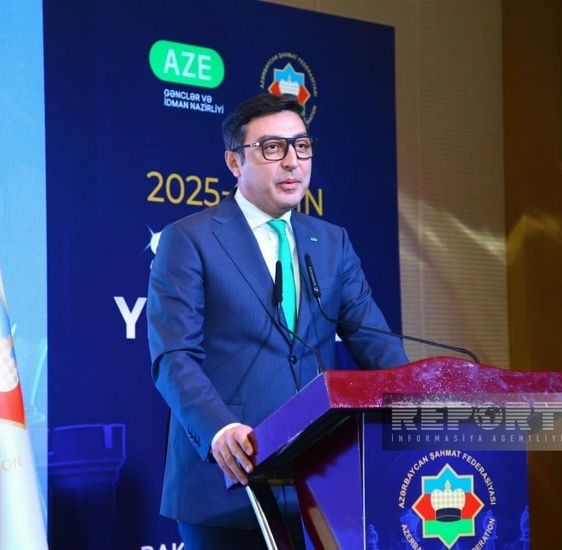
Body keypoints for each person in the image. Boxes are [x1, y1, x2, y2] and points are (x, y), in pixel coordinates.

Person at [146, 93, 409, 549]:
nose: (292, 162)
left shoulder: (331, 242)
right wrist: (219, 430)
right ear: (234, 161)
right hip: (230, 480)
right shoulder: (189, 239)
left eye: (301, 146)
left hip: (321, 482)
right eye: (273, 148)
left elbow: (375, 342)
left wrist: (416, 404)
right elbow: (174, 356)